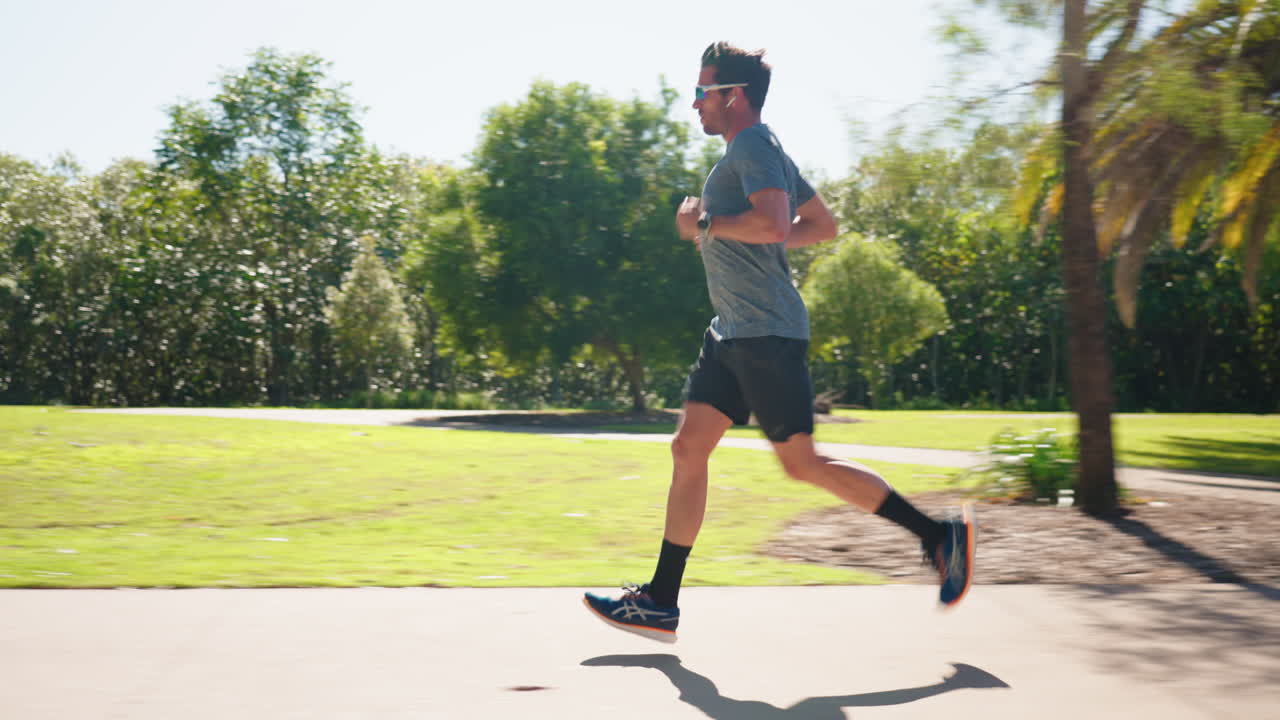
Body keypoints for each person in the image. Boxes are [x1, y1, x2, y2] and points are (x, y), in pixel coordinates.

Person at [583, 42, 974, 643]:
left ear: (731, 96)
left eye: (702, 92)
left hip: (766, 333)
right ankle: (661, 600)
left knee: (802, 464)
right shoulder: (761, 152)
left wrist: (707, 226)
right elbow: (819, 225)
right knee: (688, 449)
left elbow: (773, 224)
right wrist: (747, 239)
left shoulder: (754, 146)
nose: (694, 105)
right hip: (730, 333)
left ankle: (936, 535)